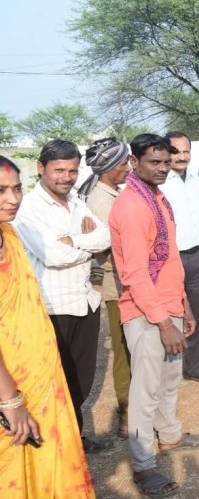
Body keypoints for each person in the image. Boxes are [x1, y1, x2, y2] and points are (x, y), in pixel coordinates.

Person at [110, 134, 199, 498]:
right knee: (146, 391)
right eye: (154, 162)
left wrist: (182, 306)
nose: (163, 168)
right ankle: (143, 466)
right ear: (134, 162)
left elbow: (169, 261)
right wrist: (164, 323)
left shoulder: (156, 198)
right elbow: (136, 275)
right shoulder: (132, 207)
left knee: (169, 381)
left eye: (167, 162)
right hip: (145, 312)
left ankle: (169, 436)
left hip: (168, 305)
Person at [0, 155, 95, 498]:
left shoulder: (9, 234)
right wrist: (10, 401)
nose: (12, 199)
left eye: (16, 189)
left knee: (48, 452)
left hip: (41, 370)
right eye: (1, 191)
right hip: (8, 381)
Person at [14, 139, 114, 454]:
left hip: (84, 301)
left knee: (81, 379)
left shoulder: (75, 199)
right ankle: (57, 447)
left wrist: (73, 240)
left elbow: (106, 235)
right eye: (59, 170)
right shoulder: (28, 208)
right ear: (41, 168)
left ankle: (74, 438)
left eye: (72, 171)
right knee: (55, 382)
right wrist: (86, 242)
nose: (66, 177)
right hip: (52, 307)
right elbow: (54, 256)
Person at [79, 137, 133, 437]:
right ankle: (127, 414)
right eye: (124, 162)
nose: (128, 167)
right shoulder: (101, 201)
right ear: (110, 166)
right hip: (117, 284)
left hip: (119, 280)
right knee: (124, 349)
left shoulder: (110, 194)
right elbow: (108, 248)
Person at [162, 131, 199, 385]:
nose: (182, 157)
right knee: (173, 313)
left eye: (186, 151)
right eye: (176, 151)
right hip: (171, 258)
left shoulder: (195, 179)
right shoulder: (159, 183)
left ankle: (198, 367)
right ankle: (171, 369)